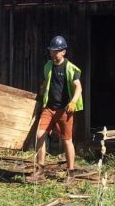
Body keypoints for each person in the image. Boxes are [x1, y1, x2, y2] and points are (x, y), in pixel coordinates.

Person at [26, 36, 83, 184]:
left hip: (64, 110)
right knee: (39, 135)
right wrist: (39, 97)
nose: (53, 53)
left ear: (63, 52)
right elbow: (45, 83)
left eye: (56, 51)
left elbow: (78, 87)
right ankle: (40, 169)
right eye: (51, 51)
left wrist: (73, 102)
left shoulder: (70, 68)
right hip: (49, 108)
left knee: (67, 141)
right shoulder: (48, 66)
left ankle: (71, 173)